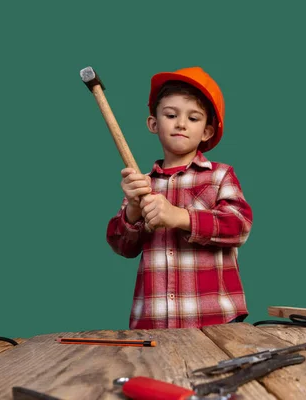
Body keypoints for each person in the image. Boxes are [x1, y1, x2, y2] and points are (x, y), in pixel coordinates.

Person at [106, 66, 253, 329]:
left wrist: (179, 216)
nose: (181, 123)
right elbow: (121, 246)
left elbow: (239, 226)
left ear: (207, 131)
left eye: (193, 118)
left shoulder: (220, 176)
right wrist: (133, 211)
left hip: (215, 322)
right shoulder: (142, 184)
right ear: (153, 123)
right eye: (171, 115)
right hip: (153, 322)